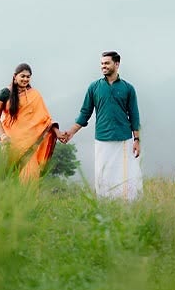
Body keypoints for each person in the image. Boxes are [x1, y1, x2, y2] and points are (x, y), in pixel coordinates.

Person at [60, 51, 142, 200]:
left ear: (116, 64)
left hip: (124, 139)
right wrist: (71, 132)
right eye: (102, 64)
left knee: (125, 175)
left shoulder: (128, 88)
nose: (103, 66)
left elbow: (134, 115)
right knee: (103, 174)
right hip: (102, 138)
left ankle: (127, 206)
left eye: (107, 63)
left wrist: (137, 140)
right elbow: (85, 113)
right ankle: (105, 205)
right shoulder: (94, 87)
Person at [0, 63, 59, 183]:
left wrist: (58, 133)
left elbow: (45, 119)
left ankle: (29, 201)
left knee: (30, 177)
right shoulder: (4, 93)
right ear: (15, 76)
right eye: (22, 76)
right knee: (9, 177)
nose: (25, 79)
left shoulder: (34, 94)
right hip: (11, 143)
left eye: (28, 77)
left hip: (30, 144)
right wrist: (3, 135)